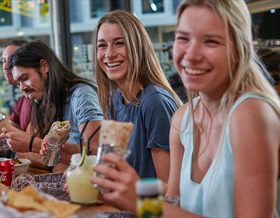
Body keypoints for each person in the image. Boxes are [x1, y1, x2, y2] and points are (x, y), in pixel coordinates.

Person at [91, 0, 280, 217]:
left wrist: (139, 199)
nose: (191, 54)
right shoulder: (183, 119)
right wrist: (123, 191)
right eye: (183, 38)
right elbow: (175, 203)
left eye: (210, 41)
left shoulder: (250, 114)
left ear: (240, 48)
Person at [92, 10, 182, 182]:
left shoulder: (155, 102)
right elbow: (112, 168)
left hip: (150, 209)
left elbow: (169, 191)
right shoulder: (115, 100)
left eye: (119, 43)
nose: (109, 54)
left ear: (137, 48)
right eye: (102, 45)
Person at [3, 40, 103, 171]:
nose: (22, 88)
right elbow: (32, 156)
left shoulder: (81, 95)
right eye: (18, 83)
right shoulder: (44, 99)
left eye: (25, 78)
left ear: (44, 66)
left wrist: (34, 144)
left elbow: (96, 155)